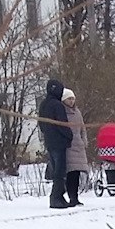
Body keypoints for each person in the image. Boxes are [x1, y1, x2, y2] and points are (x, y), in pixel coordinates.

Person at [37, 79, 71, 210]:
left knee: (56, 169)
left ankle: (58, 197)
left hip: (49, 141)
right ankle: (56, 197)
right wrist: (69, 136)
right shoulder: (57, 105)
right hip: (59, 142)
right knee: (60, 171)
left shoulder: (43, 105)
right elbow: (62, 124)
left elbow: (42, 124)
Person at [61, 89, 87, 206]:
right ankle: (71, 197)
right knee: (70, 173)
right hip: (68, 145)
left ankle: (75, 196)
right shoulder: (62, 112)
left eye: (73, 99)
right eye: (69, 99)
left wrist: (83, 140)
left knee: (76, 173)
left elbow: (82, 128)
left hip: (78, 145)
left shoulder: (77, 112)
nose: (71, 101)